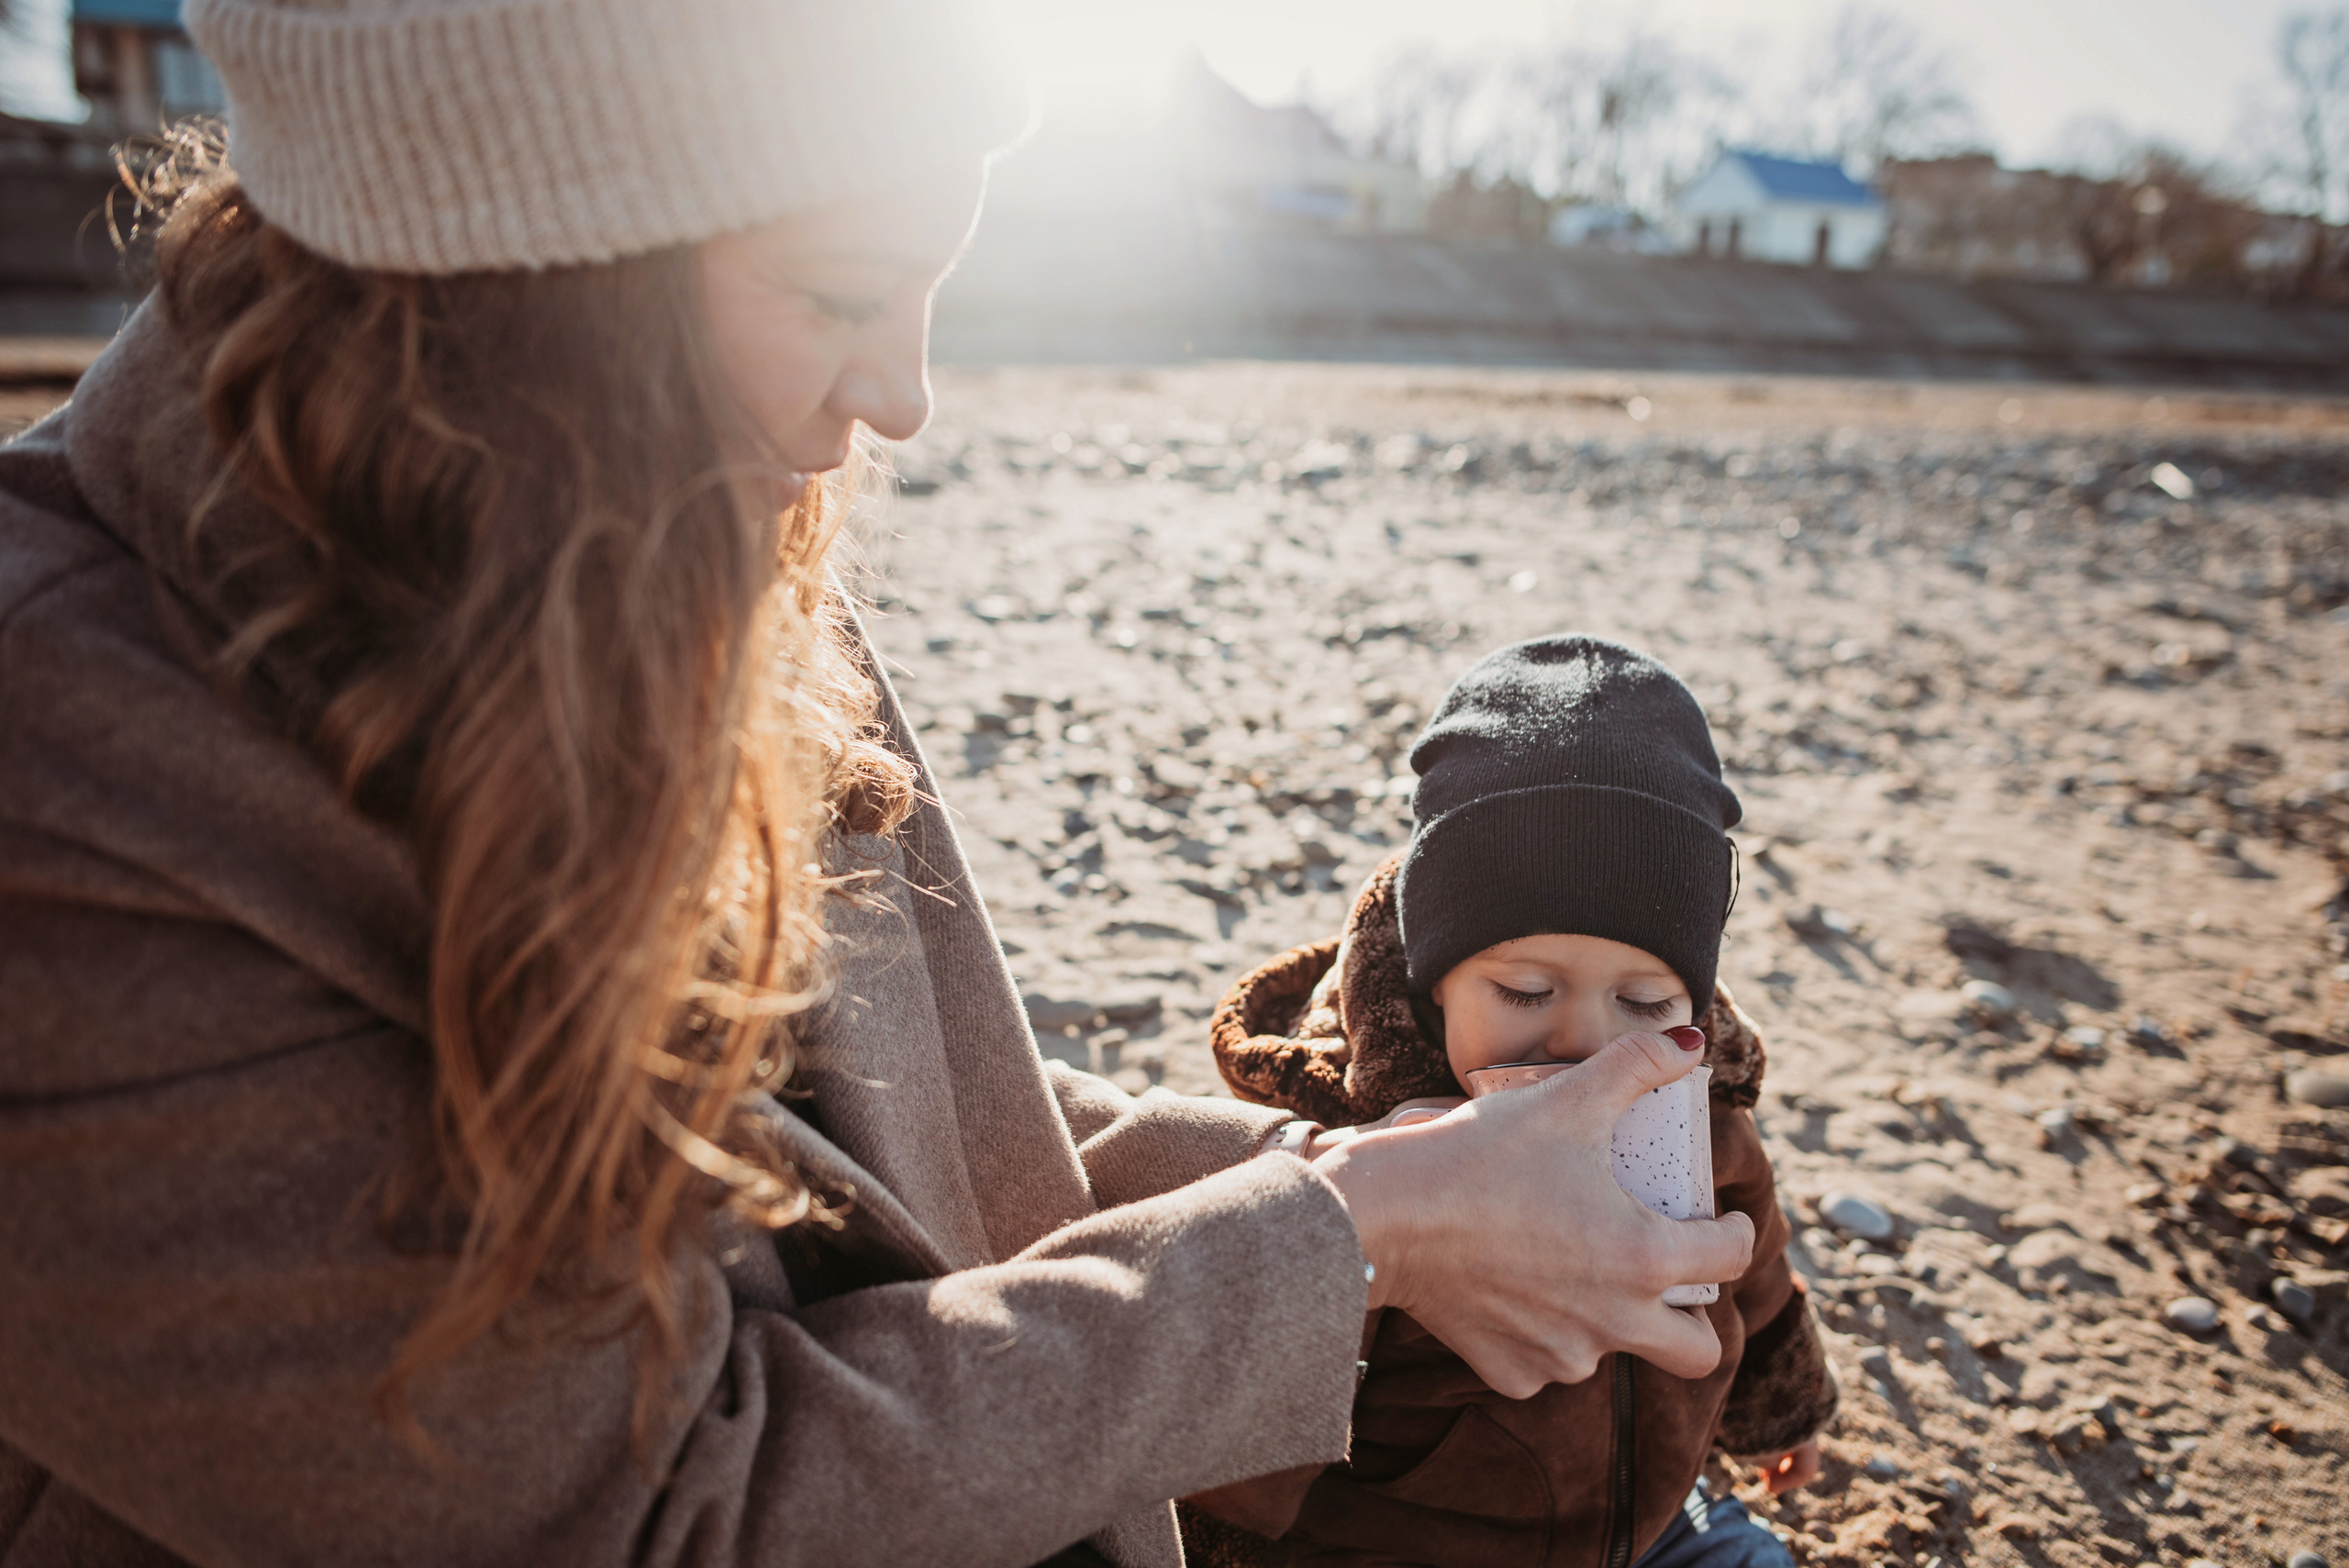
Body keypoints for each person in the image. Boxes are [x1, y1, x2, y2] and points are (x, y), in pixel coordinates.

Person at [0, 5, 1756, 1564]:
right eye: (842, 290)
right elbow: (651, 1505)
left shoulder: (653, 513)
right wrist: (1348, 1235)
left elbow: (900, 1125)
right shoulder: (58, 776)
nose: (903, 394)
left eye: (935, 286)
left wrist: (1382, 1176)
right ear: (513, 268)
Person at [1188, 637, 1838, 1568]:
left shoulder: (1702, 1122)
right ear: (1432, 985)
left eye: (1646, 1002)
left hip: (1647, 1523)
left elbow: (1758, 1272)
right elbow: (1253, 1410)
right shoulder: (1373, 1154)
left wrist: (1784, 1407)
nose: (1583, 1040)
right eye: (1526, 991)